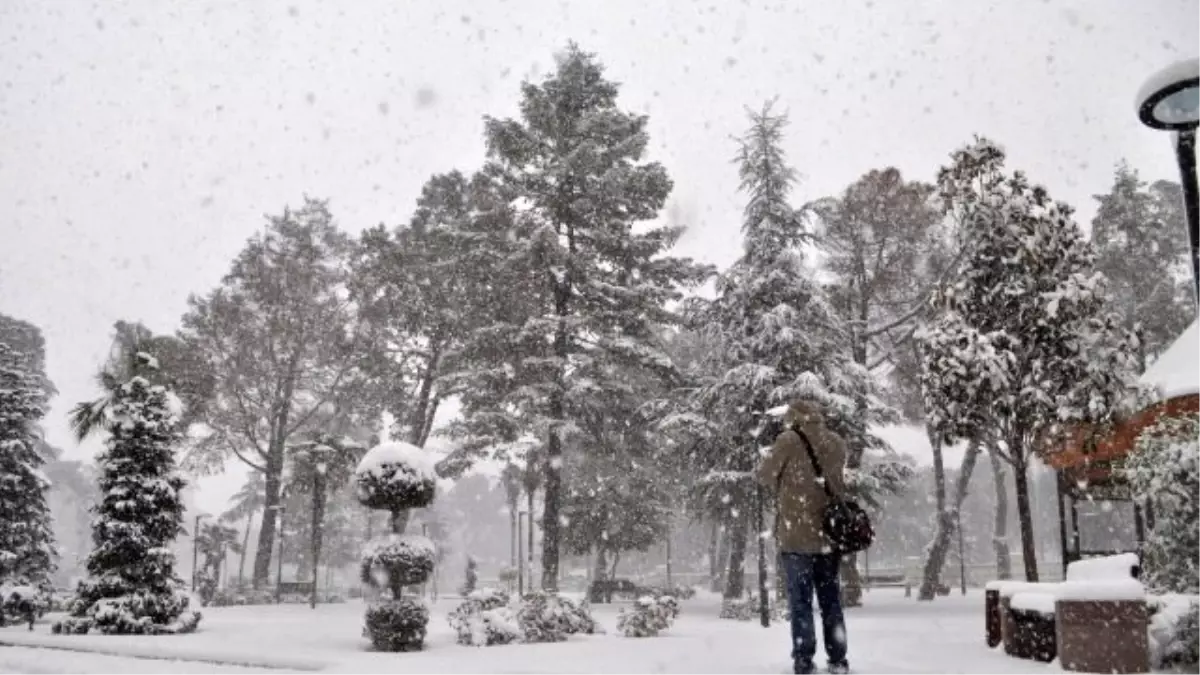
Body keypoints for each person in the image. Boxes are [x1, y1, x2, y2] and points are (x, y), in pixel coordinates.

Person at [756, 399, 850, 675]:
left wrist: (768, 459)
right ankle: (837, 658)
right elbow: (837, 482)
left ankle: (804, 658)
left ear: (794, 418)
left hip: (796, 534)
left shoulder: (788, 440)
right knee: (831, 599)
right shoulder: (836, 442)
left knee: (801, 601)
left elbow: (764, 476)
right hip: (829, 536)